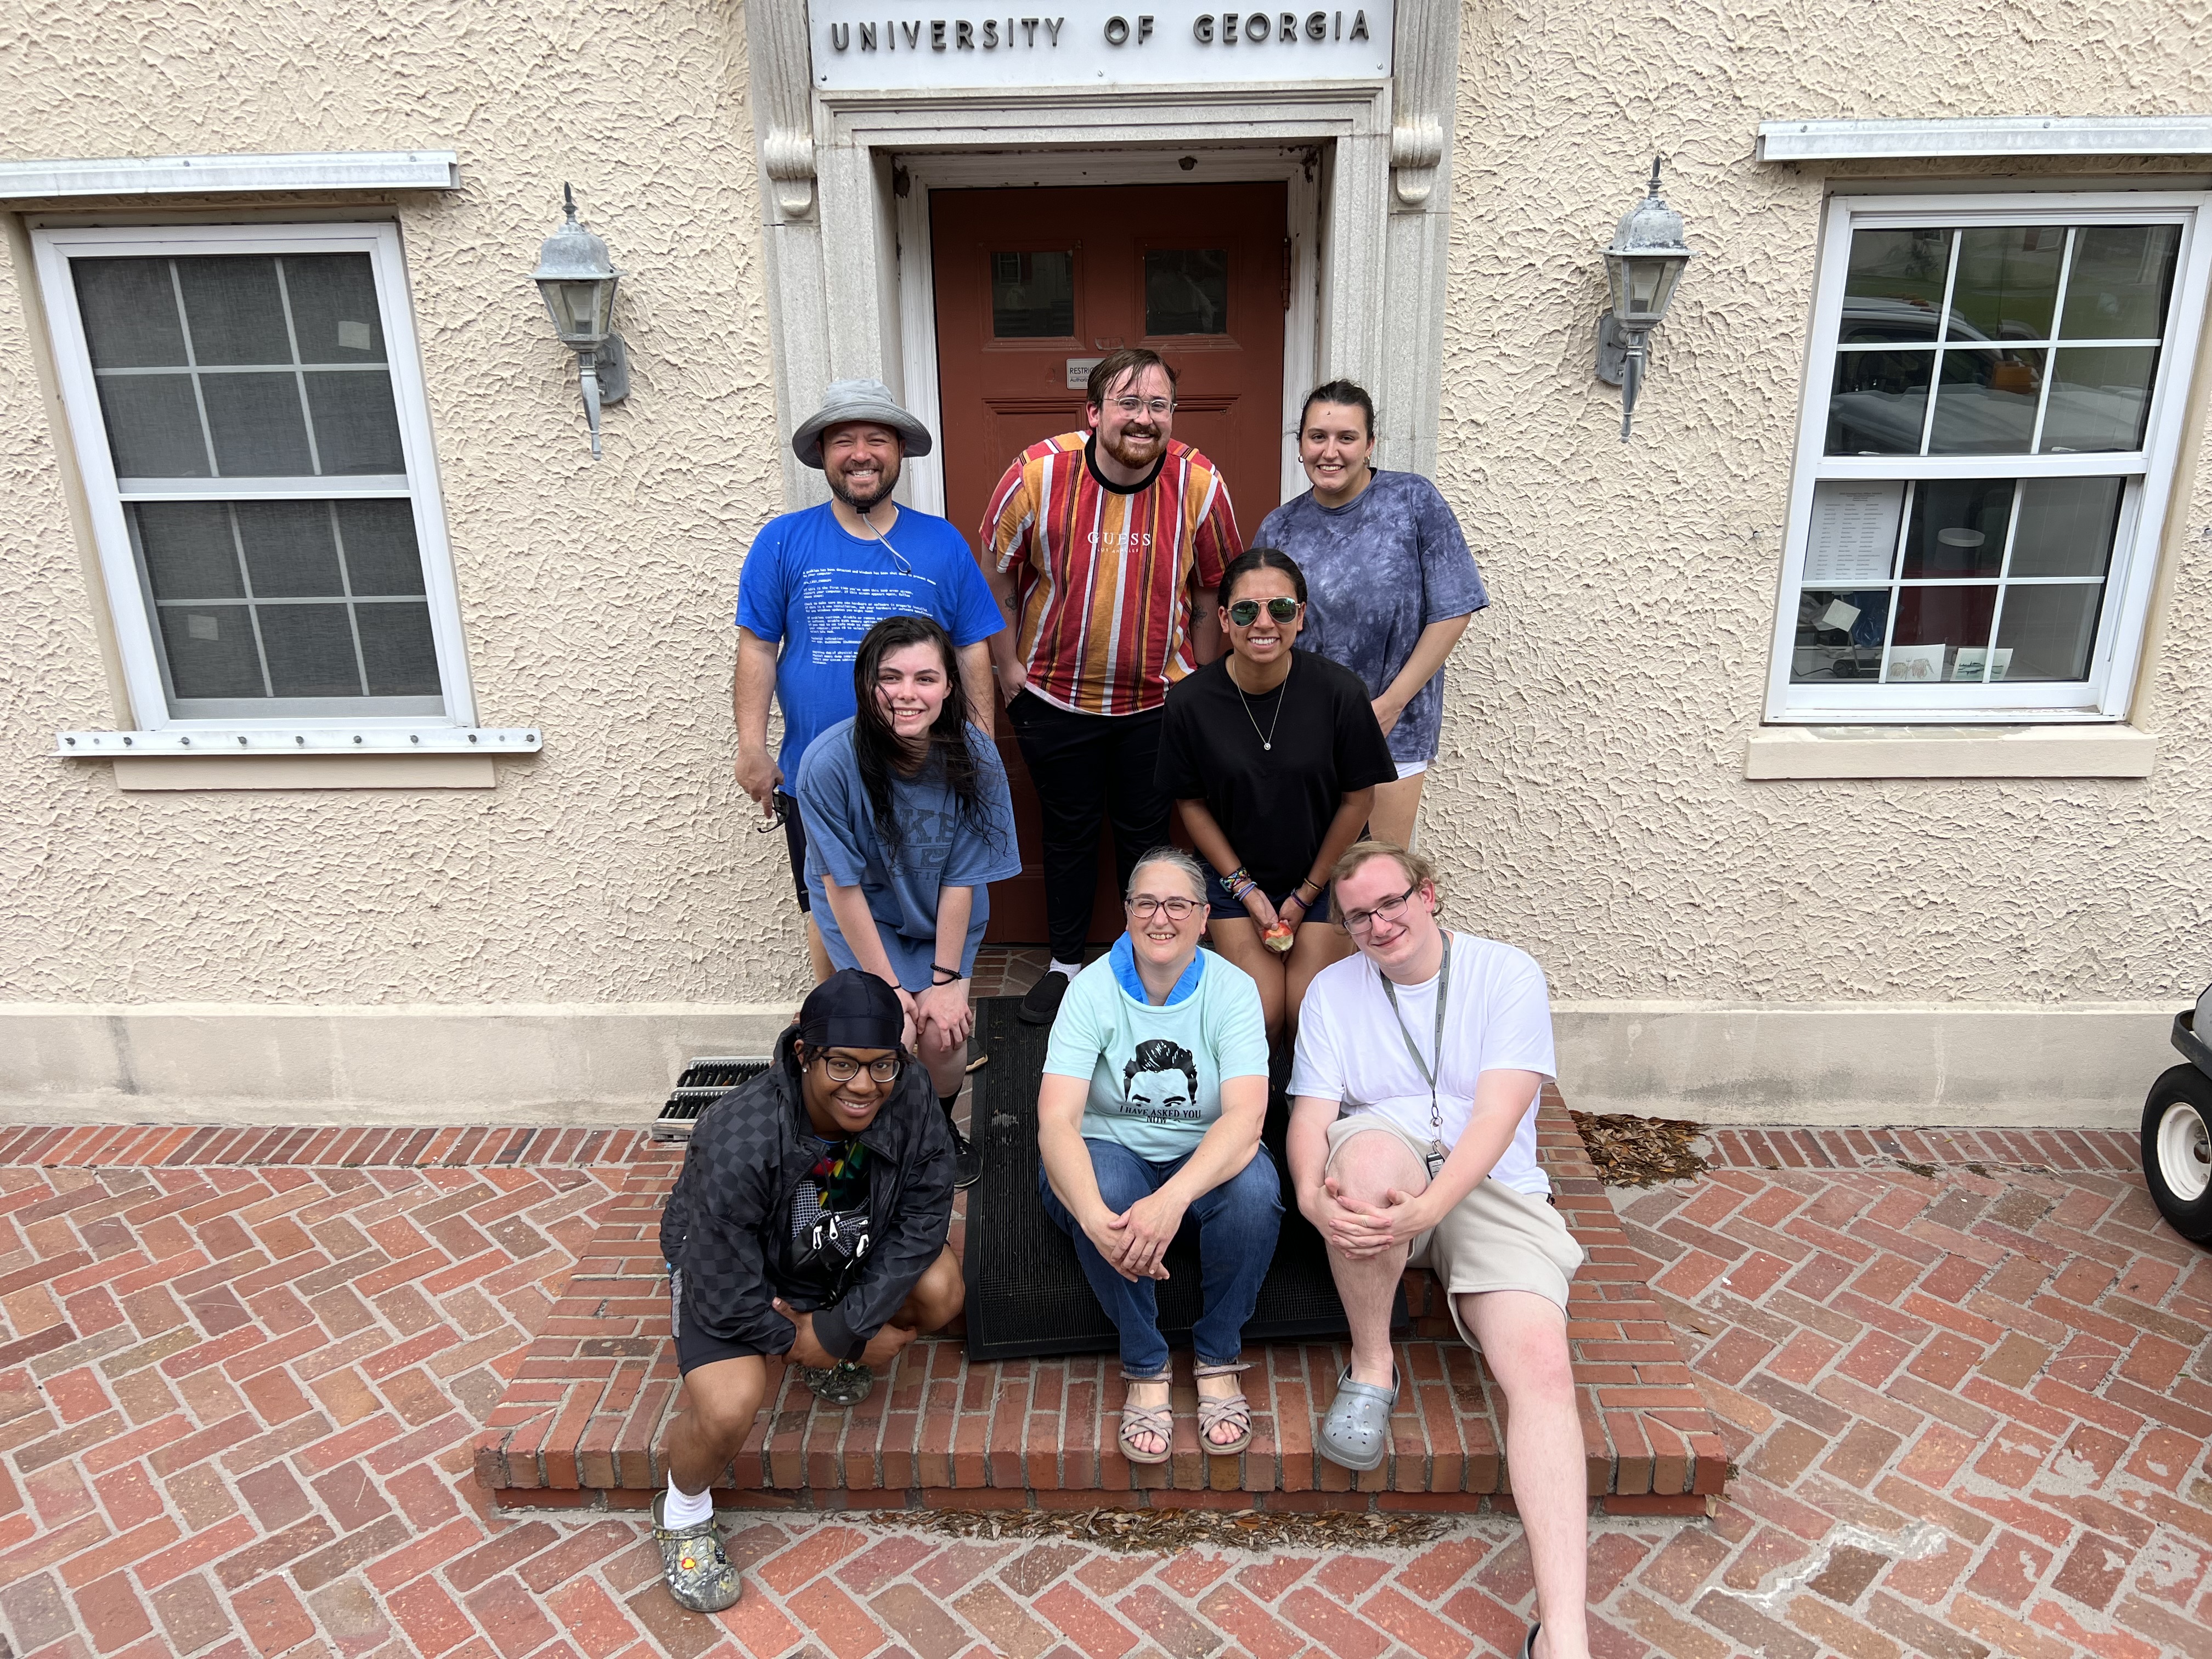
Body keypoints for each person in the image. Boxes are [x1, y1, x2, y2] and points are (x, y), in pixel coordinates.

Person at [1288, 842, 1587, 1659]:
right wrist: (1316, 1200)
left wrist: (1432, 1206)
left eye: (1391, 904)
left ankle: (1563, 1632)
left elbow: (1498, 1117)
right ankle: (1373, 1364)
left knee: (1544, 1369)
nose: (1379, 925)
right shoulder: (1331, 993)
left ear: (1428, 895)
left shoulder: (1506, 974)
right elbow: (1311, 1117)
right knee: (1365, 1163)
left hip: (1489, 1183)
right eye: (1358, 917)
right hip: (1388, 1169)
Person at [653, 970, 962, 1613]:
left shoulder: (908, 1100)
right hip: (743, 1271)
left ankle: (827, 1333)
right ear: (804, 1055)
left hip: (840, 1250)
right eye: (843, 1065)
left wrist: (845, 1329)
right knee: (732, 1403)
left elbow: (924, 1220)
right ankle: (684, 1510)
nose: (864, 1086)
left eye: (883, 1066)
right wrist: (804, 1343)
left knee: (940, 1290)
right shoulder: (738, 1134)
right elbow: (719, 1283)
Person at [979, 348, 1241, 1025]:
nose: (1144, 418)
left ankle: (1141, 960)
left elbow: (1214, 590)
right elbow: (998, 579)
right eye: (1128, 404)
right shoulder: (1036, 475)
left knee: (1145, 837)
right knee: (1066, 835)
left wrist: (1203, 686)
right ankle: (1066, 966)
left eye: (1158, 405)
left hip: (1158, 703)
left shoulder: (1201, 483)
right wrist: (1009, 672)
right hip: (1054, 698)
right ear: (1094, 413)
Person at [735, 379, 1003, 982]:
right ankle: (847, 1032)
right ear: (824, 454)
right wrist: (751, 746)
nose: (861, 452)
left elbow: (972, 648)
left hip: (925, 774)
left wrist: (980, 742)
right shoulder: (783, 541)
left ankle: (924, 1019)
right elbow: (757, 645)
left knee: (929, 899)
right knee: (830, 905)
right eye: (844, 440)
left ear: (900, 452)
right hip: (817, 775)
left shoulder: (941, 542)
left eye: (876, 438)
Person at [1034, 848, 1278, 1463]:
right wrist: (1093, 1218)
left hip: (1204, 1155)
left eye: (1178, 904)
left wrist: (1172, 1199)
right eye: (1146, 902)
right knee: (1108, 1196)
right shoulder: (1089, 992)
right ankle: (1146, 1365)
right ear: (1126, 914)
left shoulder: (1234, 991)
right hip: (1111, 1147)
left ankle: (1218, 1354)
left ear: (1202, 918)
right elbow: (1056, 1121)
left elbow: (1247, 1118)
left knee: (1255, 1196)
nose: (1160, 917)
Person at [795, 615, 1021, 1188]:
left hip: (942, 916)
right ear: (866, 684)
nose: (906, 694)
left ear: (950, 687)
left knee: (944, 1041)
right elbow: (840, 888)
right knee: (886, 1040)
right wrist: (892, 988)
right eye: (890, 677)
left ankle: (939, 1129)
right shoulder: (827, 764)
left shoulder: (976, 757)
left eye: (925, 678)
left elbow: (962, 880)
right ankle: (874, 1149)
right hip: (867, 919)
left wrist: (945, 984)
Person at [1157, 547, 1397, 1047]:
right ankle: (1257, 1112)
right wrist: (1245, 890)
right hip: (1234, 877)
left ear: (1301, 617)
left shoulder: (1340, 692)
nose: (1263, 622)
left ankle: (1313, 1112)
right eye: (1246, 610)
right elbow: (1191, 804)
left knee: (1309, 1012)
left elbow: (1359, 801)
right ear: (1224, 619)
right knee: (1260, 1016)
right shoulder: (1189, 702)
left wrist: (1307, 892)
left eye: (1281, 609)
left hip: (1326, 875)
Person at [1256, 381, 1488, 851]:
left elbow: (1453, 609)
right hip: (1304, 733)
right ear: (1300, 444)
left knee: (1375, 882)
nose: (1331, 451)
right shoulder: (1279, 527)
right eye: (1317, 437)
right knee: (1306, 879)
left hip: (1393, 729)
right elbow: (1265, 632)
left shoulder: (1412, 501)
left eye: (1347, 437)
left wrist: (1390, 705)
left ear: (1370, 445)